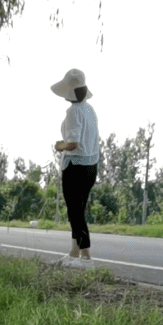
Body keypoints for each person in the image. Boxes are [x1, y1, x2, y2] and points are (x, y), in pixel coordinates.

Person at [51, 68, 100, 269]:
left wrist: (59, 145)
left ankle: (86, 256)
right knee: (77, 211)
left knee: (75, 212)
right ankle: (74, 253)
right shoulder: (90, 109)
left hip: (75, 166)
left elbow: (73, 144)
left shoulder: (73, 112)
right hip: (91, 166)